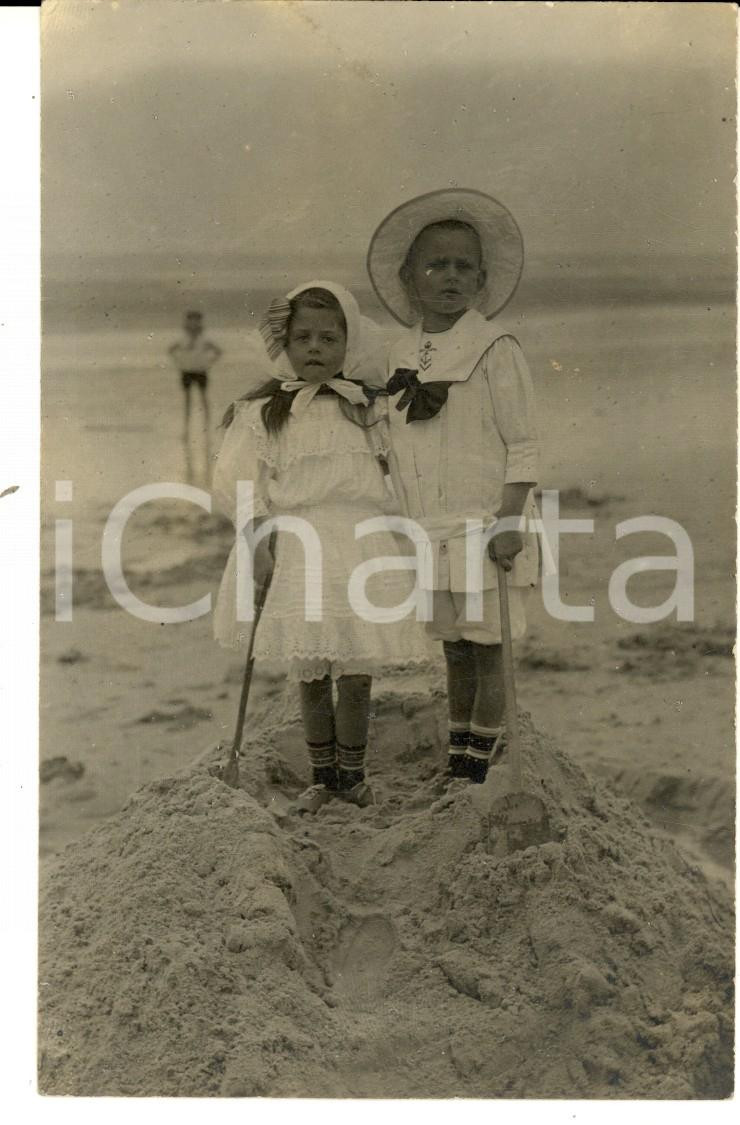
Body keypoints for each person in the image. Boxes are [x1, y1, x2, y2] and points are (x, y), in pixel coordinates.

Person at [212, 281, 430, 812]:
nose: (315, 349)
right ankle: (322, 774)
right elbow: (239, 482)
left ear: (349, 345)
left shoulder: (369, 409)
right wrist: (257, 541)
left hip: (360, 545)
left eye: (330, 339)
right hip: (298, 545)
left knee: (356, 667)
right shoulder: (265, 412)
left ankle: (352, 776)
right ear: (282, 342)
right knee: (310, 668)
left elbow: (408, 471)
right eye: (303, 337)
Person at [367, 188, 542, 786]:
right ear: (410, 278)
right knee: (456, 645)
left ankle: (480, 766)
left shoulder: (495, 347)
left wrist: (512, 519)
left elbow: (524, 443)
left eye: (464, 266)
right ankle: (459, 753)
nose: (450, 277)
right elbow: (393, 443)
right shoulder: (398, 353)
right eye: (435, 265)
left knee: (490, 643)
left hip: (485, 523)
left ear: (483, 279)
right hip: (430, 528)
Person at [168, 309, 222, 456]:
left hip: (200, 371)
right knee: (187, 401)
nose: (193, 323)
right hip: (187, 371)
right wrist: (179, 363)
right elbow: (171, 350)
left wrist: (209, 363)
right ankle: (186, 430)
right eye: (191, 320)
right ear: (187, 321)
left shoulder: (204, 338)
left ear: (200, 322)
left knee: (204, 400)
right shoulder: (182, 338)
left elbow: (218, 351)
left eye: (196, 320)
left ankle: (208, 430)